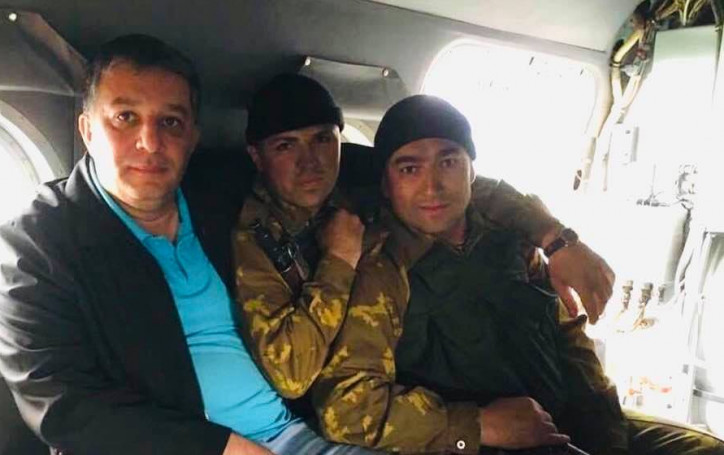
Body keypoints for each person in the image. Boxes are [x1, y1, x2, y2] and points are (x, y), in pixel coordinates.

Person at [0, 34, 376, 455]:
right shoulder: (41, 244)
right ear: (88, 130)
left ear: (192, 137)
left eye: (170, 122)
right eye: (125, 117)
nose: (150, 143)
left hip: (293, 434)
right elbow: (60, 405)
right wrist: (220, 448)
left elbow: (337, 163)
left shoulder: (219, 197)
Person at [310, 95, 724, 455]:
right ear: (386, 185)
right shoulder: (381, 269)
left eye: (449, 162)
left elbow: (568, 339)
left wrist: (606, 435)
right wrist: (476, 426)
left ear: (473, 172)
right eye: (409, 169)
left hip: (571, 423)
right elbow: (346, 407)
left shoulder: (510, 236)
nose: (432, 187)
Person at [232, 74, 615, 407]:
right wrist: (339, 261)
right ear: (256, 156)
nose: (310, 162)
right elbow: (293, 376)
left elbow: (472, 187)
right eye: (285, 146)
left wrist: (556, 240)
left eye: (321, 139)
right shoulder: (257, 236)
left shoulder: (357, 171)